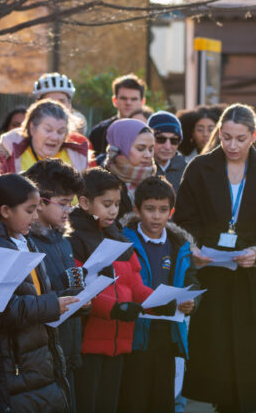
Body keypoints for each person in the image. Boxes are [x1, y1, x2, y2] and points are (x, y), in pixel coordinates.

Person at [174, 103, 256, 412]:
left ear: (254, 136)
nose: (232, 146)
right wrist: (193, 249)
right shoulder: (200, 168)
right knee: (216, 360)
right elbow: (185, 220)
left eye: (240, 138)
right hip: (213, 275)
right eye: (226, 137)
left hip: (255, 277)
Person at [0, 173, 76, 412]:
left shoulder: (25, 240)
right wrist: (52, 305)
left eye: (37, 209)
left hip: (38, 359)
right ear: (6, 211)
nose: (35, 216)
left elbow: (39, 291)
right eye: (29, 210)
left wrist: (70, 300)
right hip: (14, 365)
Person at [66, 167, 161, 413]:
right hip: (88, 345)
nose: (113, 210)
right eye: (106, 204)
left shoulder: (120, 239)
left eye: (117, 204)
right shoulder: (74, 238)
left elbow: (136, 286)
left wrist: (160, 301)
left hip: (119, 343)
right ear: (85, 203)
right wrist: (115, 309)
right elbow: (79, 289)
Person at [119, 176, 199, 413]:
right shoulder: (123, 241)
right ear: (136, 210)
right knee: (133, 401)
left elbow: (192, 281)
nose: (156, 216)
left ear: (171, 212)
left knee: (163, 401)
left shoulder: (179, 245)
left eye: (163, 210)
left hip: (168, 334)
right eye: (150, 209)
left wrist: (191, 301)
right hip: (134, 335)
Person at [23, 159, 89, 410]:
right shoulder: (29, 243)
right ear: (39, 202)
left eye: (70, 203)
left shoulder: (62, 240)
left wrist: (83, 299)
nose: (68, 210)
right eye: (63, 203)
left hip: (68, 349)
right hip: (42, 354)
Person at [0, 99, 93, 174]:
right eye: (48, 130)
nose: (54, 137)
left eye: (60, 131)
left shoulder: (77, 158)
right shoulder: (8, 154)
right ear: (32, 128)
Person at [103, 118, 156, 221]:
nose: (148, 155)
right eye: (140, 149)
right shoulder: (102, 182)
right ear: (121, 147)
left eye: (151, 149)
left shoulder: (156, 181)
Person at [89, 74, 146, 158]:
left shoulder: (152, 130)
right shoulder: (99, 132)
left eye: (134, 99)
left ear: (142, 102)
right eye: (123, 98)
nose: (128, 103)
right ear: (114, 100)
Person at [147, 111, 187, 191]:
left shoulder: (187, 170)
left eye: (174, 140)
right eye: (161, 139)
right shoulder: (140, 169)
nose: (167, 147)